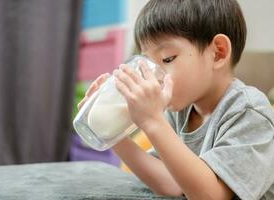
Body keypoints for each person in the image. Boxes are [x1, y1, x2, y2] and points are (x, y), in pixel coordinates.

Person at [78, 0, 274, 199]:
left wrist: (153, 121)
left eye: (167, 59)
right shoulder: (181, 109)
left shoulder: (248, 112)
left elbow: (212, 196)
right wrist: (113, 134)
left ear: (217, 53)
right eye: (148, 63)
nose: (155, 77)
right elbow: (170, 184)